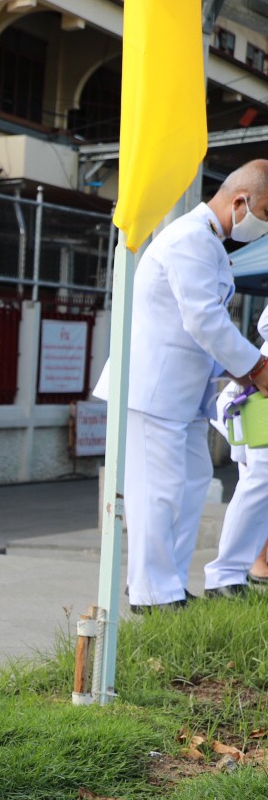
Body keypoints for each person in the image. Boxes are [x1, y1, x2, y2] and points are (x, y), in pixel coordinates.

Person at [97, 161, 268, 610]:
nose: (264, 225)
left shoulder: (207, 243)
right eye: (265, 213)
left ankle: (168, 585)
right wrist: (256, 368)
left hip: (183, 396)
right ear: (240, 201)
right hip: (153, 392)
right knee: (158, 490)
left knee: (191, 484)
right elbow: (204, 319)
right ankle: (154, 594)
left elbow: (202, 324)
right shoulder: (190, 238)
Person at [205, 305, 268, 598]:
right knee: (260, 479)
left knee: (260, 482)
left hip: (254, 397)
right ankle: (229, 575)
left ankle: (235, 573)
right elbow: (266, 324)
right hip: (257, 398)